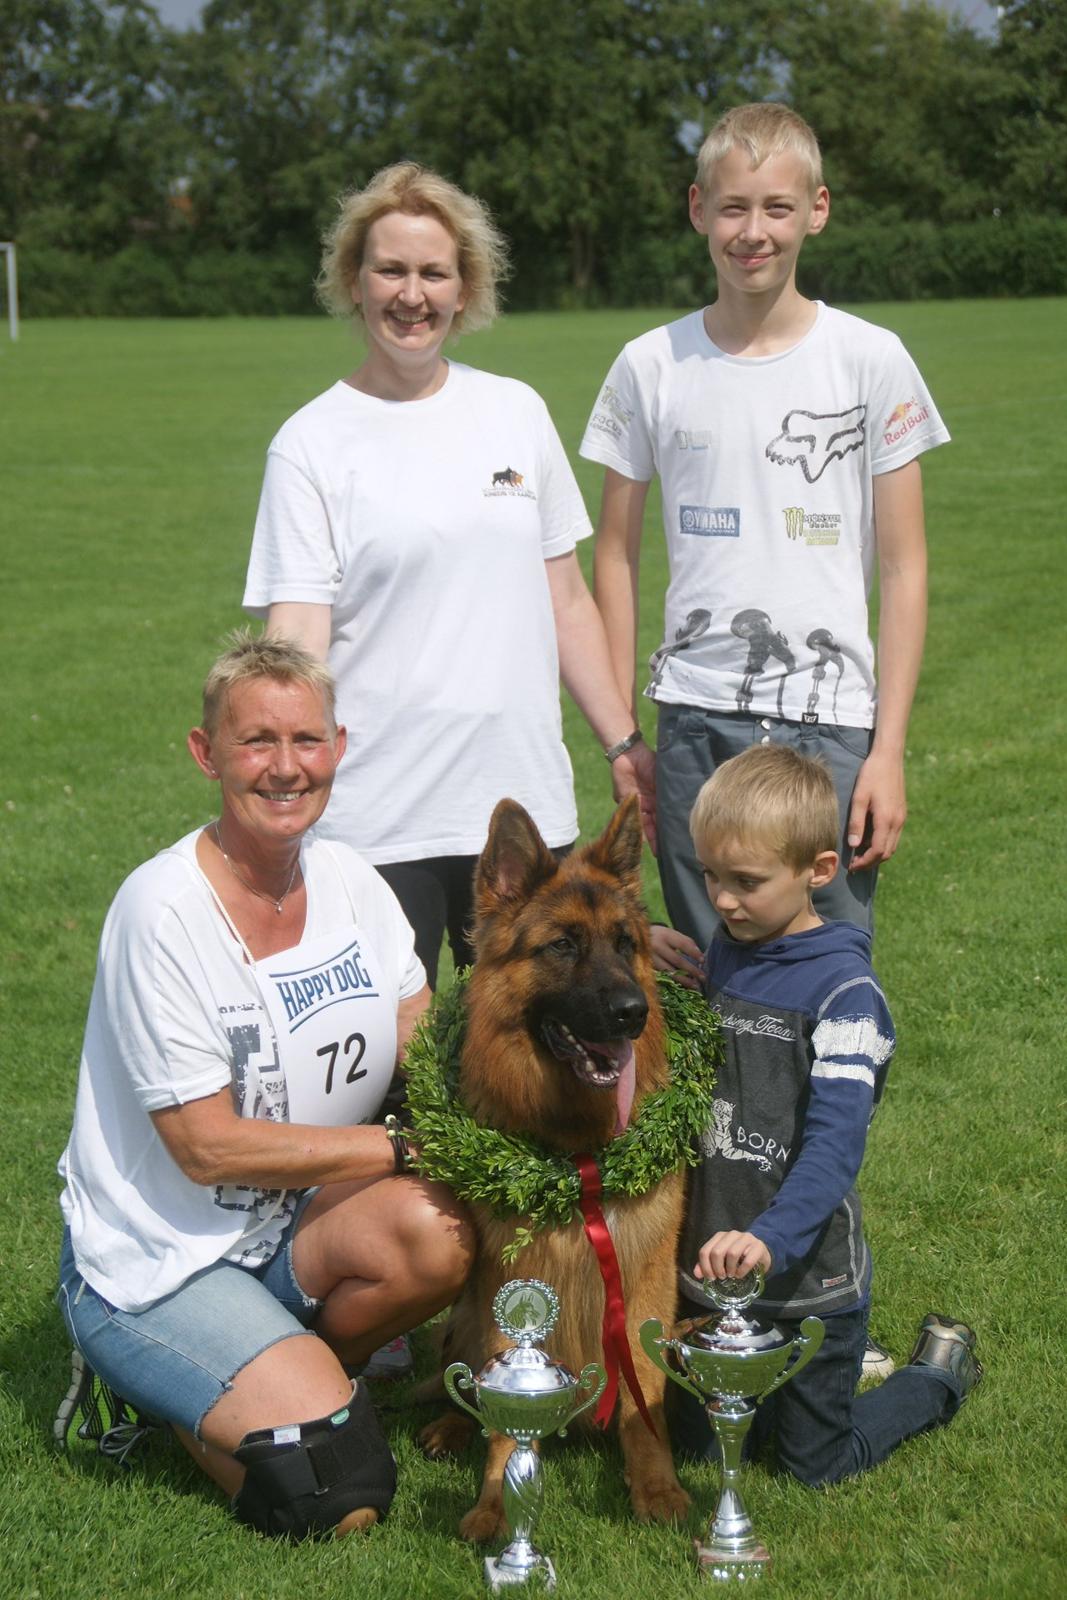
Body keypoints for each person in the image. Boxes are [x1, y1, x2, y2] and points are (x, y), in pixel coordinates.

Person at [54, 633, 473, 1538]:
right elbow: (206, 1148)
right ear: (208, 754)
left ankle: (295, 1373)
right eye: (256, 743)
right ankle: (154, 1390)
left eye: (307, 741)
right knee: (338, 1497)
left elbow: (424, 1043)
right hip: (162, 1257)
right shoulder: (161, 912)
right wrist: (397, 1148)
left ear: (339, 748)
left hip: (291, 1225)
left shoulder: (353, 882)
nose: (286, 769)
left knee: (441, 1237)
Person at [243, 161, 655, 991]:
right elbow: (296, 636)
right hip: (373, 821)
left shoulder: (515, 411)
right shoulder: (311, 443)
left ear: (464, 288)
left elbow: (565, 598)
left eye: (433, 273)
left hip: (520, 819)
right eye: (390, 269)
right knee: (385, 1078)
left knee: (535, 1071)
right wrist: (273, 757)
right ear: (353, 282)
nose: (411, 293)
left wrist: (621, 741)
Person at [581, 101, 949, 949]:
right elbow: (613, 555)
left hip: (830, 729)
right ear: (697, 209)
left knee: (825, 972)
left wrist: (886, 749)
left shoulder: (870, 358)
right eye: (734, 207)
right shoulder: (649, 365)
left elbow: (903, 569)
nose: (753, 232)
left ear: (815, 211)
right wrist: (624, 739)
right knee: (708, 974)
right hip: (693, 723)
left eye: (777, 208)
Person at [650, 746, 981, 1486]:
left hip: (808, 1284)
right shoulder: (731, 948)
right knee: (698, 1455)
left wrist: (769, 1238)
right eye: (709, 876)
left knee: (812, 1468)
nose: (723, 900)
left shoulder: (846, 996)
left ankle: (936, 1375)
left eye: (746, 882)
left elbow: (833, 1148)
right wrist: (637, 945)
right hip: (710, 1276)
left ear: (818, 871)